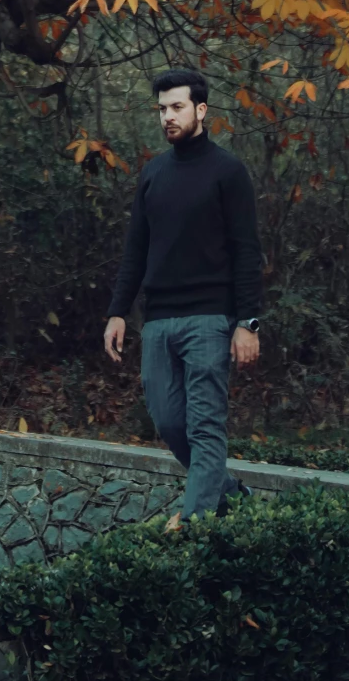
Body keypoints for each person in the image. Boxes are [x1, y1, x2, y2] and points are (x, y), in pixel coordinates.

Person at [103, 66, 263, 523]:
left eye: (176, 107)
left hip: (211, 320)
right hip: (158, 321)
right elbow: (136, 247)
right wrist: (117, 312)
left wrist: (247, 322)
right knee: (169, 422)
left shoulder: (228, 172)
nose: (168, 117)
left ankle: (193, 530)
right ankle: (229, 493)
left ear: (201, 110)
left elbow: (247, 254)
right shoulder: (154, 173)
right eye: (162, 109)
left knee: (205, 426)